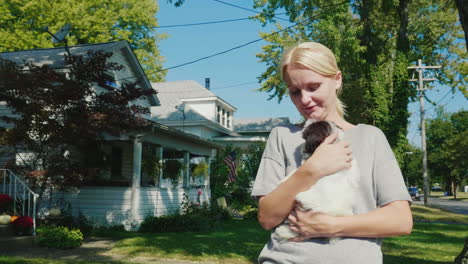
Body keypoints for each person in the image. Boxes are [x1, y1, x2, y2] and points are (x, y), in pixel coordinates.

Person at [251, 42, 413, 264]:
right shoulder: (282, 137)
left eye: (313, 87)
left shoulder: (370, 137)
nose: (304, 100)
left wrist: (330, 226)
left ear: (337, 80)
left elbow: (401, 220)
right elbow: (267, 217)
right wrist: (312, 170)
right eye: (295, 92)